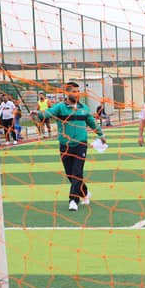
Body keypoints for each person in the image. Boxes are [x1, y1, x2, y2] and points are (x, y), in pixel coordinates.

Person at [35, 81, 106, 211]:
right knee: (70, 174)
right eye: (74, 91)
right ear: (67, 93)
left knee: (77, 172)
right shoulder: (60, 107)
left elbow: (92, 122)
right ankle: (85, 192)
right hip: (65, 146)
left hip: (81, 145)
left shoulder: (84, 108)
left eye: (78, 91)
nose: (77, 94)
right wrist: (38, 114)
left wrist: (101, 134)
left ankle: (73, 200)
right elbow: (47, 113)